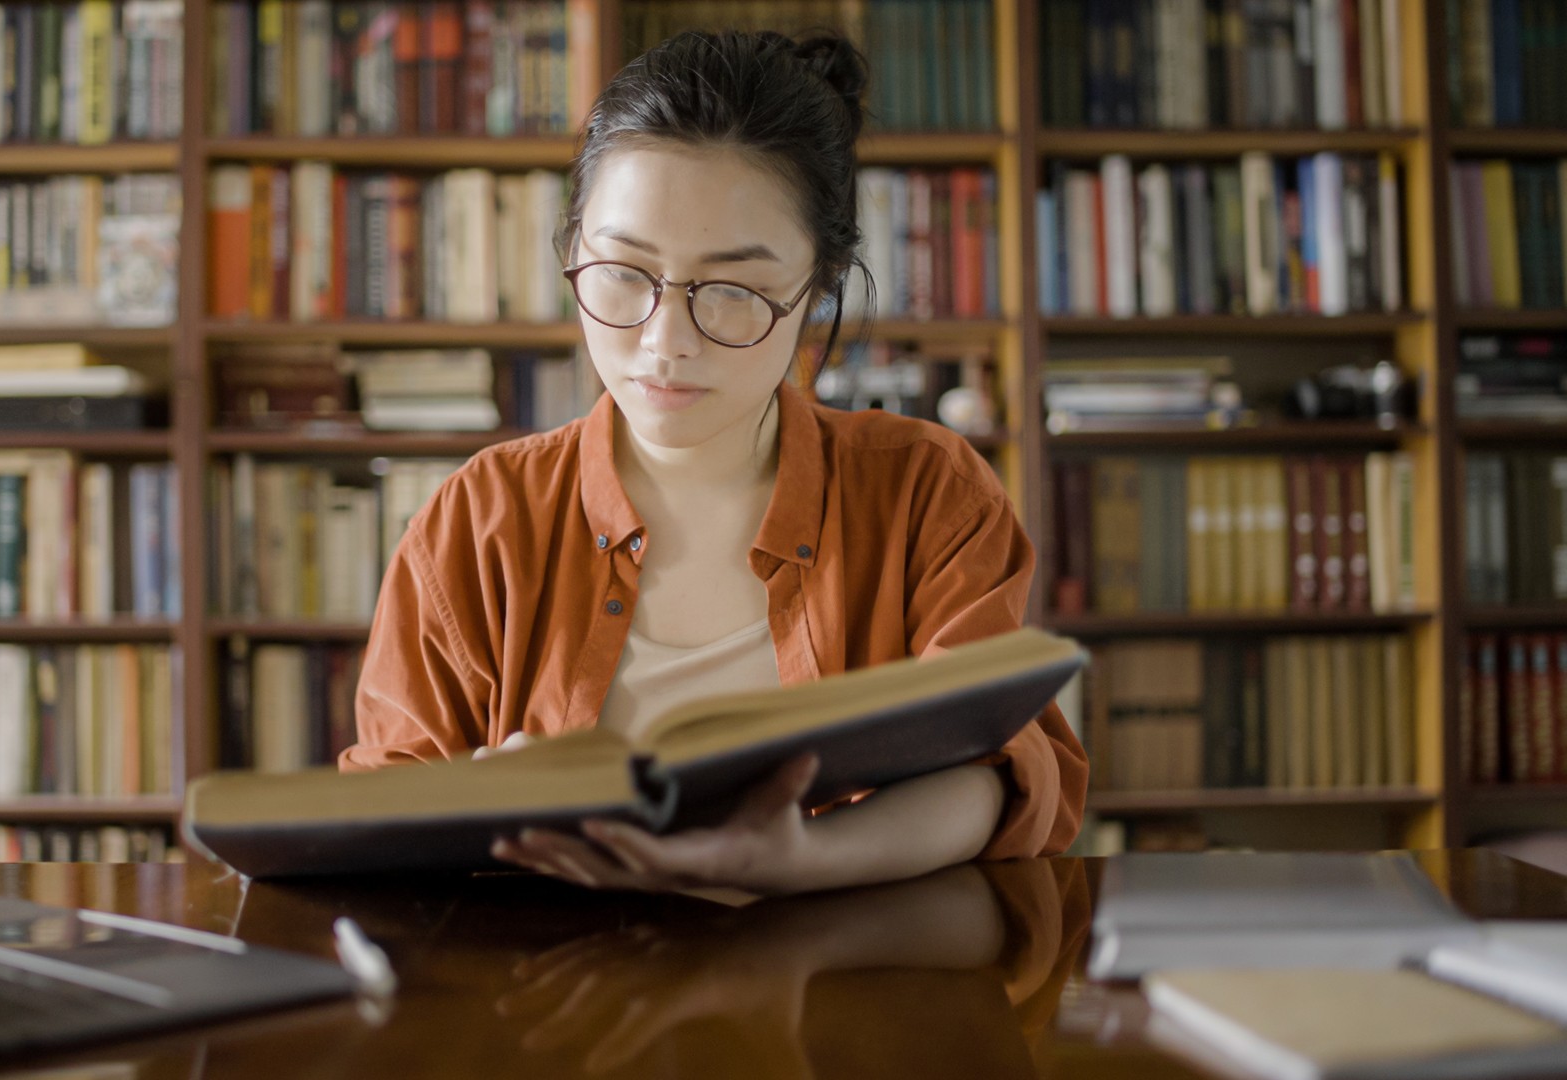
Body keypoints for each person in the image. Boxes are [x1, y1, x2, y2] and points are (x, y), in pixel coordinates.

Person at [337, 29, 1087, 894]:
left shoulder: (925, 492)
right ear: (573, 250)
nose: (664, 343)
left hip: (851, 1000)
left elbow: (998, 768)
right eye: (622, 272)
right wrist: (477, 813)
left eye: (732, 291)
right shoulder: (480, 519)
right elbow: (380, 819)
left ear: (819, 286)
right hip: (554, 1007)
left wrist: (802, 861)